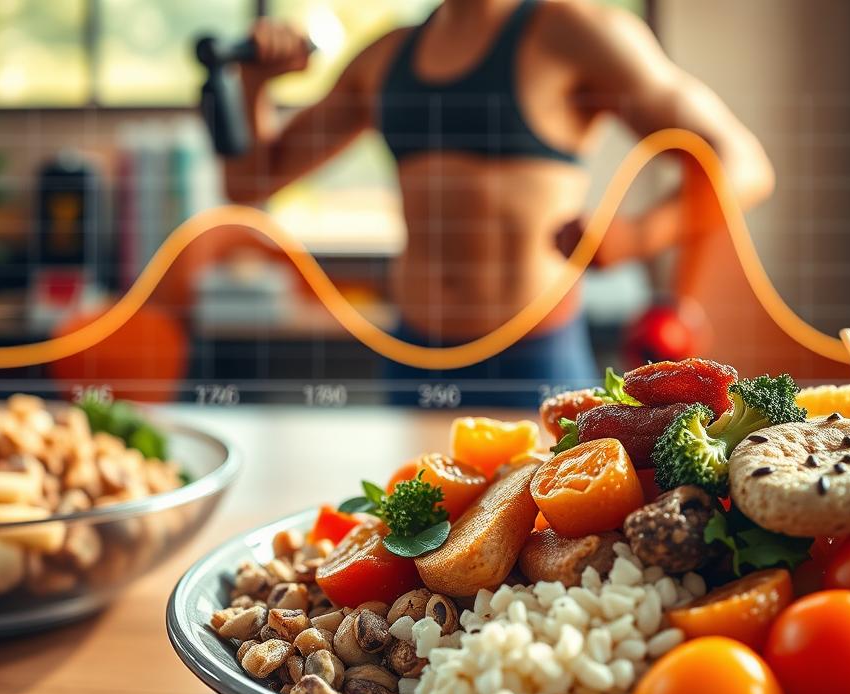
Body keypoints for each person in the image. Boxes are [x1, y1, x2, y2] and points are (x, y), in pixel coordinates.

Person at [224, 0, 773, 406]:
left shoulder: (577, 32)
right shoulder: (385, 56)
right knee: (410, 549)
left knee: (546, 552)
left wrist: (637, 237)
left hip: (535, 358)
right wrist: (254, 83)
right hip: (413, 354)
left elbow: (743, 162)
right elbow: (249, 181)